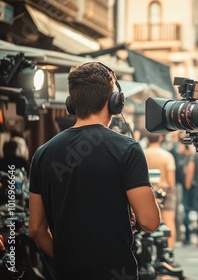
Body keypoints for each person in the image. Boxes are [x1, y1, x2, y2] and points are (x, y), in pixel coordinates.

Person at [28, 62, 160, 280]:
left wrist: (63, 259)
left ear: (72, 103)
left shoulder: (42, 153)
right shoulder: (127, 149)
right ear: (115, 101)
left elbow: (35, 229)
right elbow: (150, 222)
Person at [143, 131, 177, 249]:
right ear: (160, 138)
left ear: (147, 139)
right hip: (165, 190)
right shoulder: (167, 156)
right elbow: (171, 181)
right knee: (169, 222)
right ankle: (170, 250)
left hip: (146, 191)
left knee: (148, 222)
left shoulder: (142, 154)